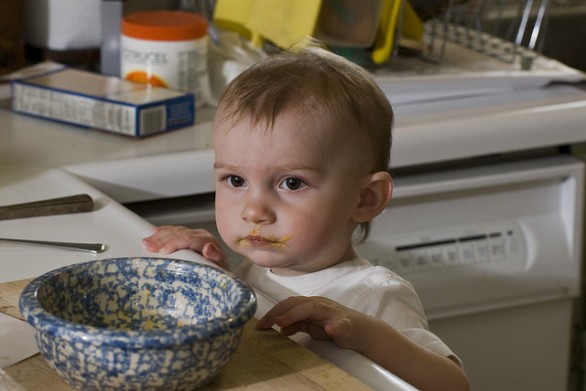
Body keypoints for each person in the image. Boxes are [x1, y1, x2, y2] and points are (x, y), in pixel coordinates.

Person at [143, 39, 469, 390]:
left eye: (292, 183)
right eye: (235, 180)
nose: (254, 210)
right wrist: (211, 271)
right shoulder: (256, 272)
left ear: (365, 198)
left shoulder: (372, 294)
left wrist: (367, 336)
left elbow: (453, 385)